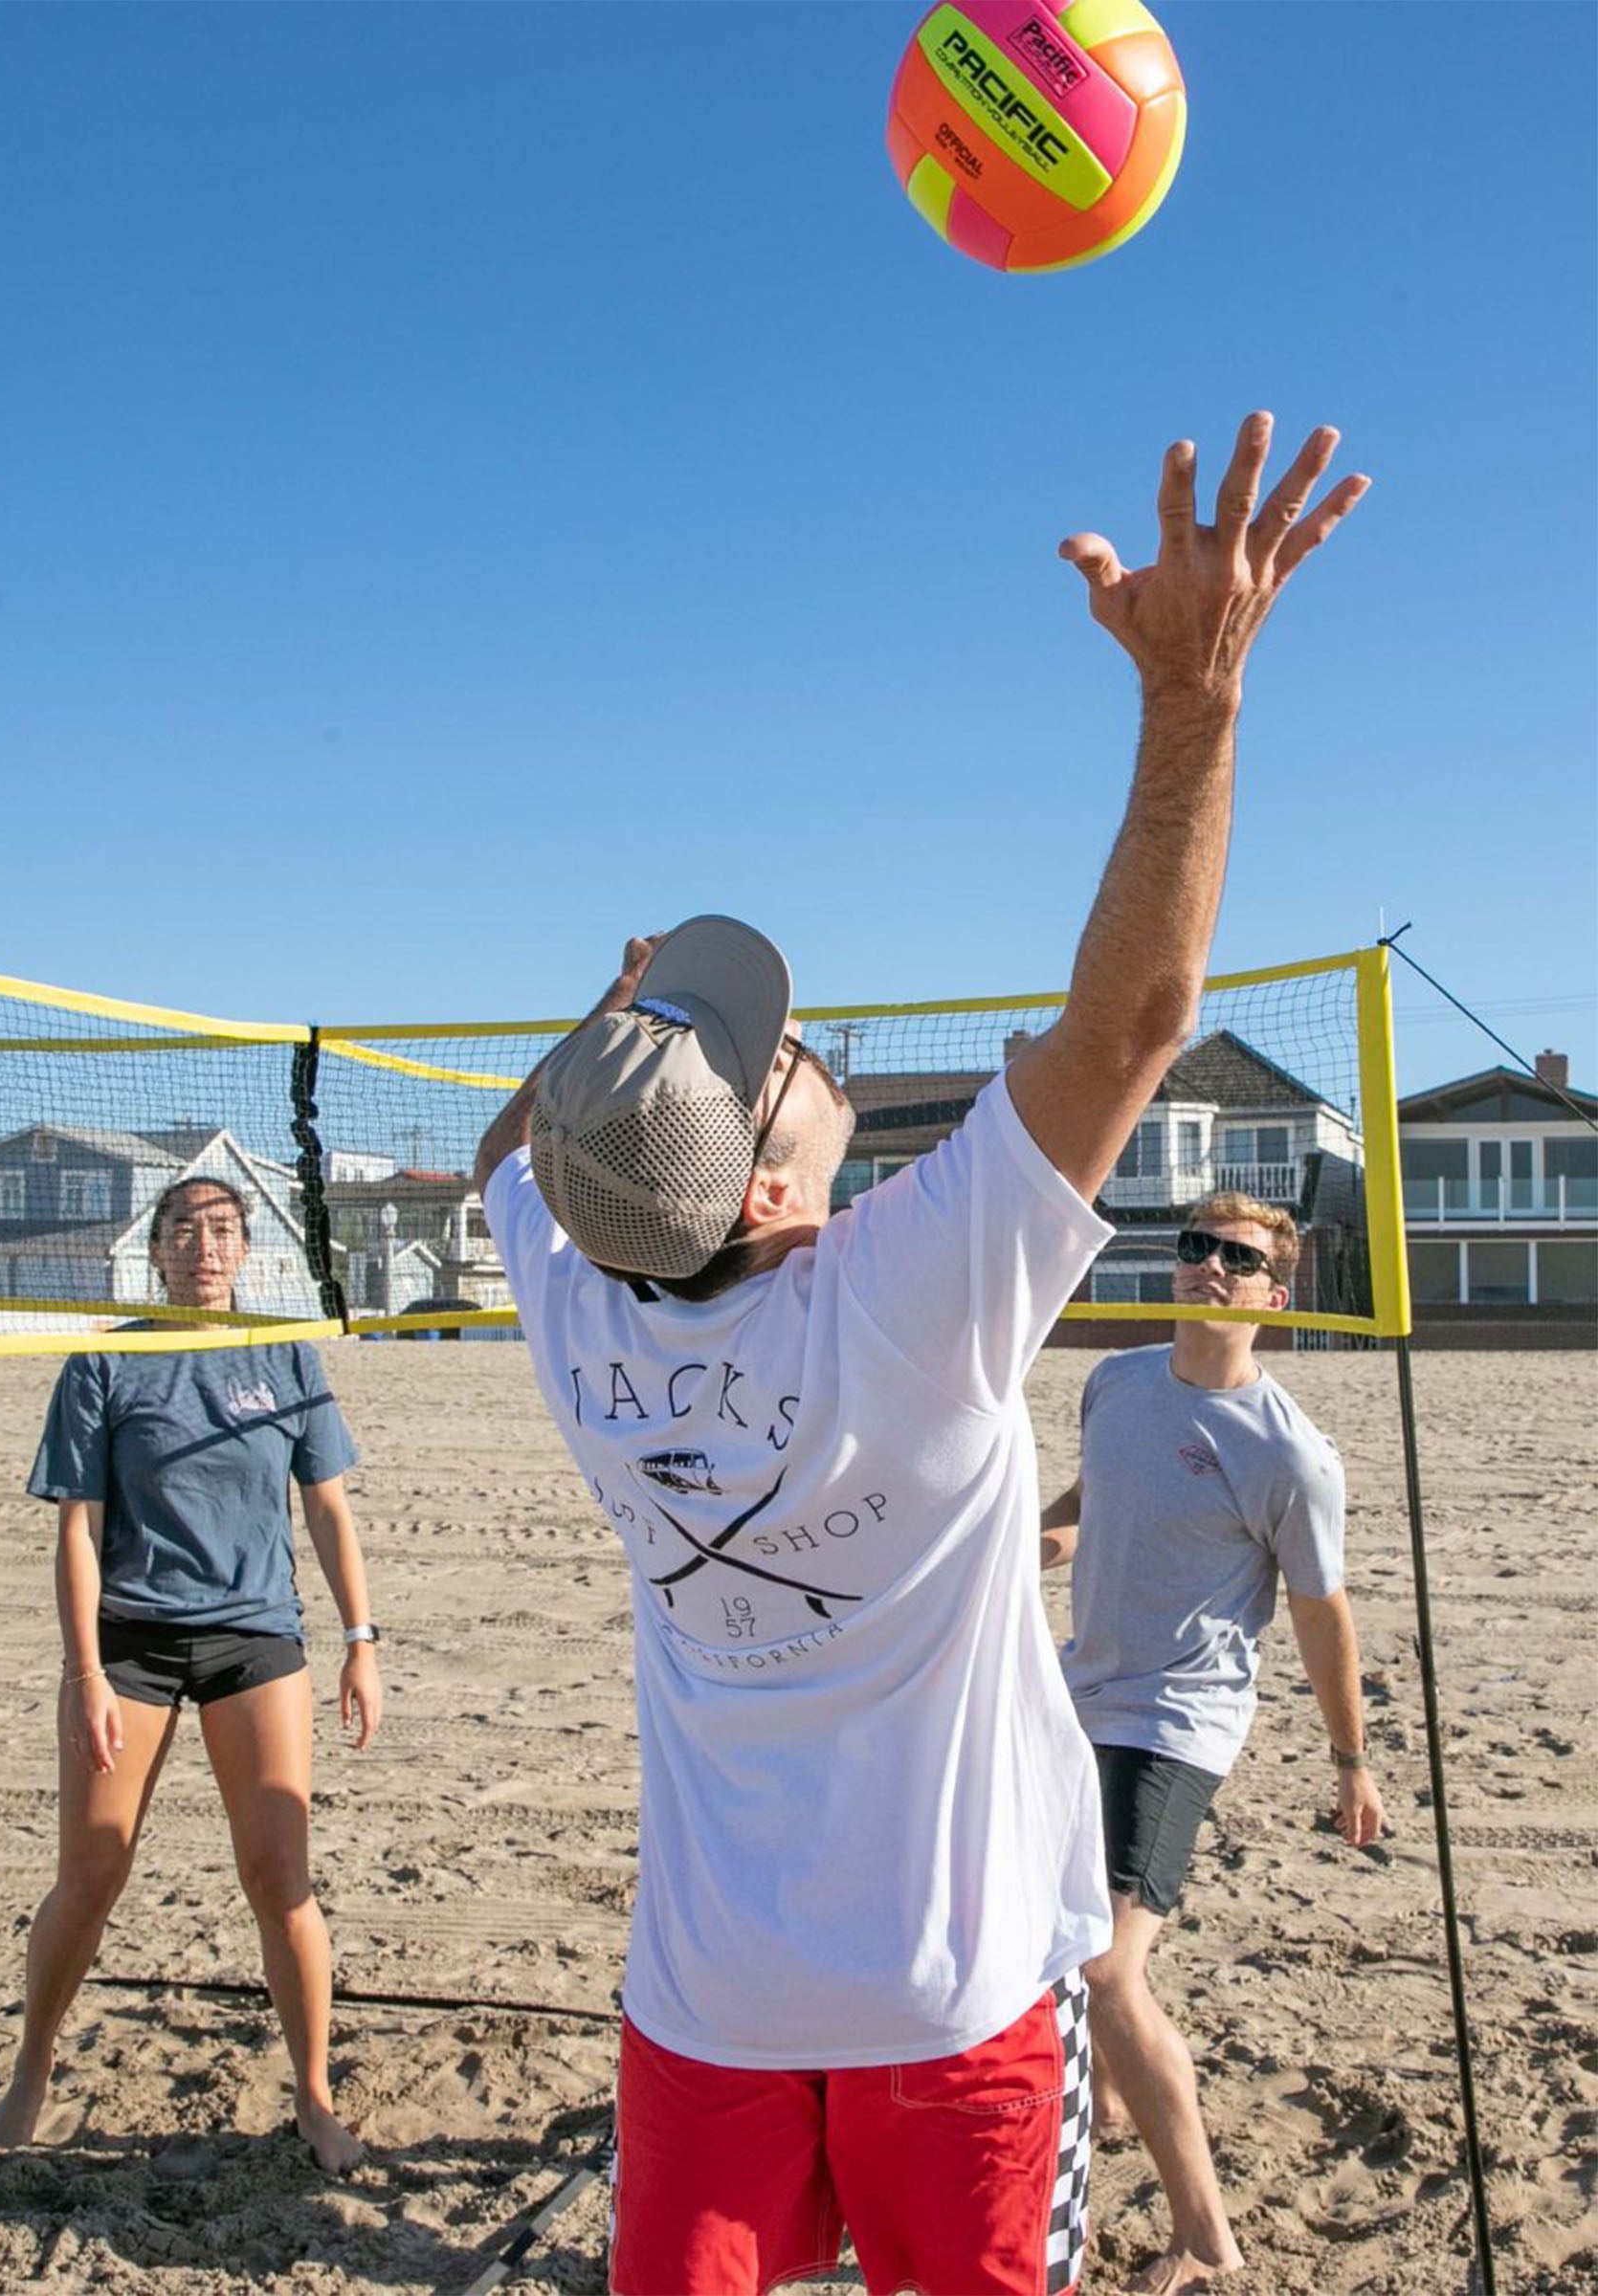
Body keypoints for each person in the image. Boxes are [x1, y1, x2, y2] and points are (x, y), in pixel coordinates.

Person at [472, 414, 1370, 2295]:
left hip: (702, 2015)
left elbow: (516, 1172)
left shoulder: (573, 1309)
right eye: (777, 1069)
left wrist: (610, 1041)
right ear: (783, 1199)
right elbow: (1139, 1013)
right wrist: (1193, 694)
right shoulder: (897, 1295)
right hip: (948, 2016)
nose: (806, 1059)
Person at [0, 1175, 383, 2174]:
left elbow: (329, 1510)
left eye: (223, 1231)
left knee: (279, 1877)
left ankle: (314, 2097)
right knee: (91, 1873)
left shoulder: (284, 1352)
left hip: (255, 1638)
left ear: (246, 1251)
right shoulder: (106, 1362)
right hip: (133, 1642)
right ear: (155, 1248)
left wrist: (362, 1639)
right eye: (184, 1230)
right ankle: (30, 2072)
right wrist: (85, 1671)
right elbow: (79, 1528)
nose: (204, 1247)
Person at [1041, 1192, 1387, 2294]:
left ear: (1273, 1297)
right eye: (1196, 1248)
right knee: (1053, 1951)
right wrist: (1028, 1544)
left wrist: (1350, 1762)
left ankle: (1204, 2234)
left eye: (1235, 1258)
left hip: (1177, 1721)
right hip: (1072, 1695)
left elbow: (1321, 1611)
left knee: (1105, 1965)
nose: (1208, 1268)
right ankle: (1085, 2139)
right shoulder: (1118, 1381)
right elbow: (1096, 1498)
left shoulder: (1292, 1455)